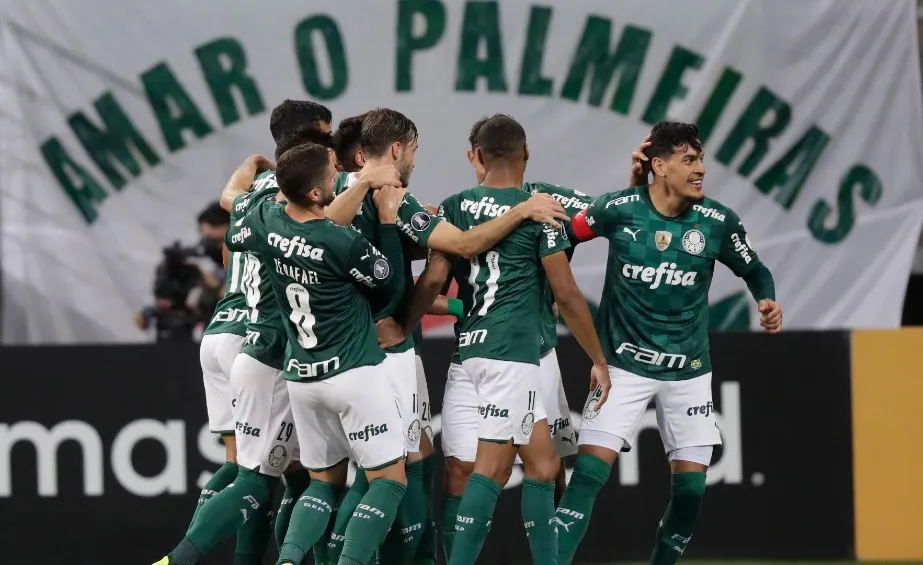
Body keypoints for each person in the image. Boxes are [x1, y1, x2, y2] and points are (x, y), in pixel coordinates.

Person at [317, 107, 569, 565]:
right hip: (382, 353)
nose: (413, 162)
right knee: (394, 476)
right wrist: (523, 209)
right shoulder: (392, 195)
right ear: (397, 150)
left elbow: (324, 232)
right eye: (412, 152)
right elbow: (464, 245)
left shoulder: (335, 192)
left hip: (325, 351)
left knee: (354, 475)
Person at [554, 122, 783, 565]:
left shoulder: (718, 221)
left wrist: (767, 298)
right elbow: (563, 238)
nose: (700, 170)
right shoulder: (617, 208)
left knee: (692, 490)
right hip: (622, 366)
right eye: (689, 160)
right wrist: (552, 288)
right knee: (586, 476)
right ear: (658, 166)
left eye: (700, 159)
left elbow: (755, 269)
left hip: (689, 372)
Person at [394, 114, 611, 565]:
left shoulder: (453, 207)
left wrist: (403, 324)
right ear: (526, 154)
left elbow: (434, 278)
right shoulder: (540, 210)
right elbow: (568, 295)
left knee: (543, 465)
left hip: (471, 350)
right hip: (512, 352)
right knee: (495, 470)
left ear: (477, 157)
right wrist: (600, 360)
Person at [225, 142, 411, 565]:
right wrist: (384, 219)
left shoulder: (266, 218)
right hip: (352, 372)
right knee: (389, 480)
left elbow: (236, 235)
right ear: (314, 192)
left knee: (323, 484)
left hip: (303, 378)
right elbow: (392, 287)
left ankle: (288, 559)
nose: (337, 176)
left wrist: (360, 184)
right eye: (332, 173)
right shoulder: (342, 241)